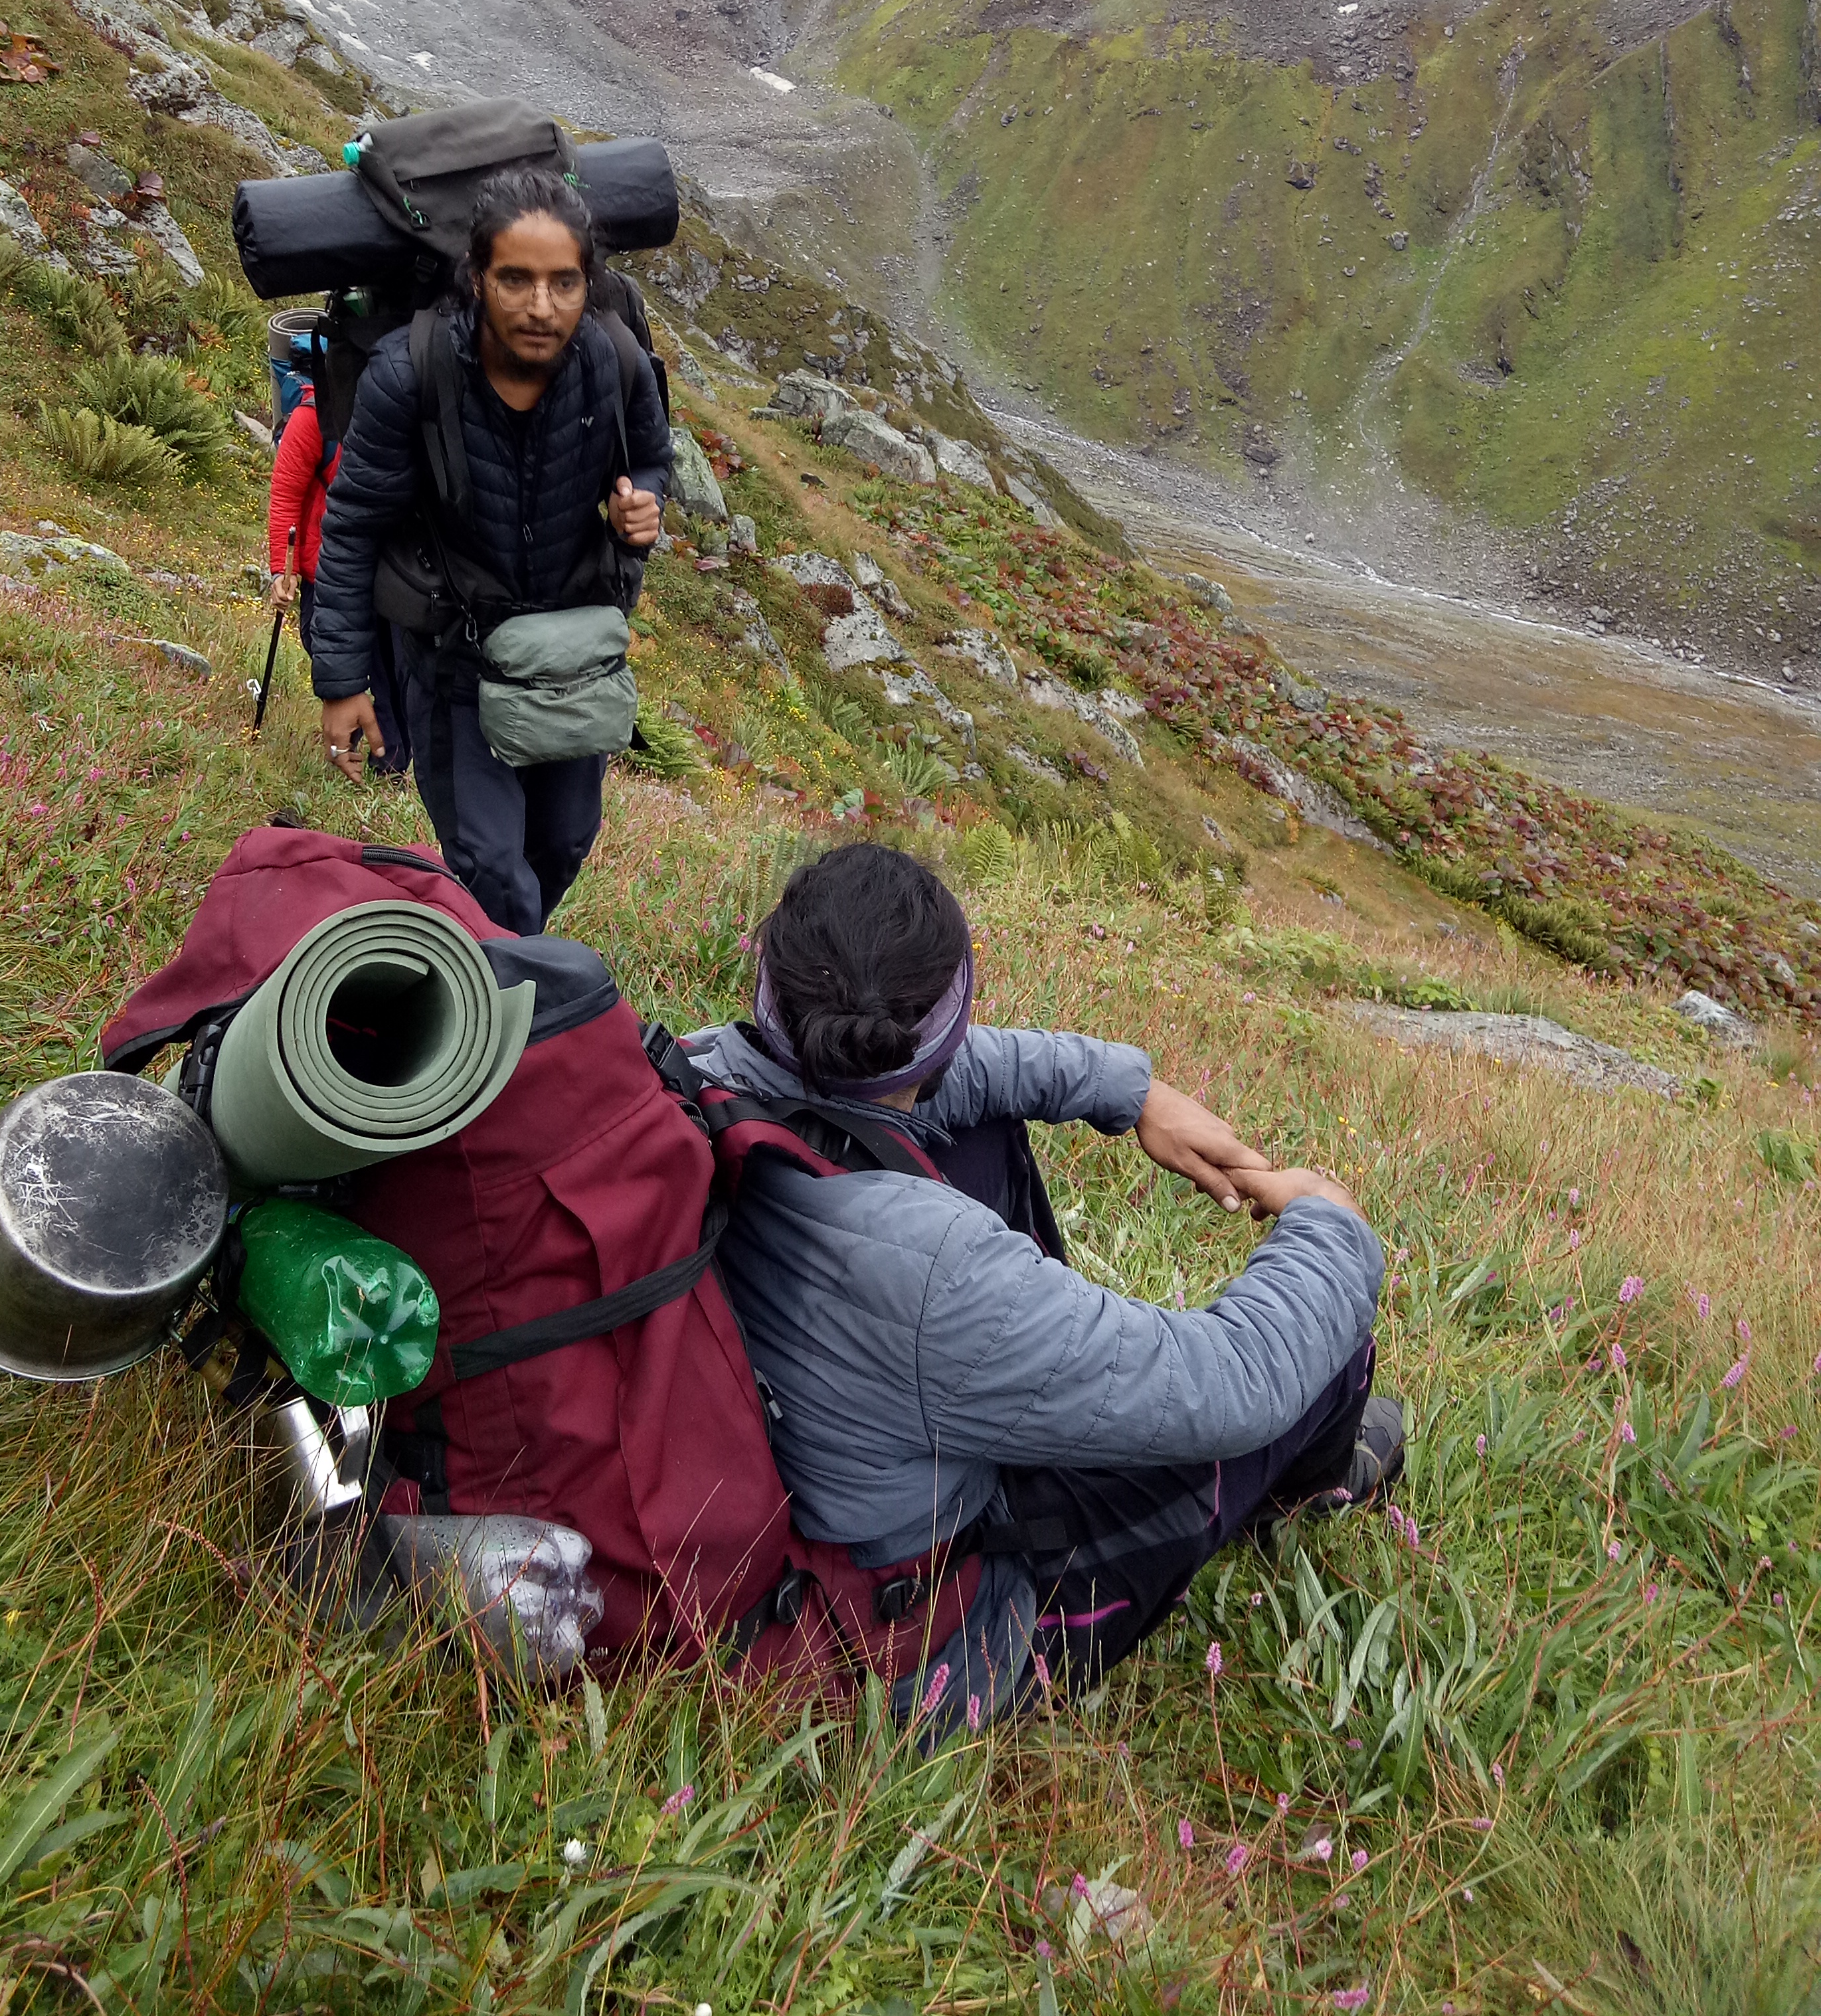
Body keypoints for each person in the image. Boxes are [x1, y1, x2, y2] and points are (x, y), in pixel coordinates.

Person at [687, 843, 1399, 1730]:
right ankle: (1324, 1480)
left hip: (815, 1477)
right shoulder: (941, 1272)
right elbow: (1233, 1382)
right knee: (1314, 1348)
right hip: (924, 1650)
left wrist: (1134, 1095)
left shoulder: (704, 1075)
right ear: (940, 1026)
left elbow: (948, 1076)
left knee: (980, 1128)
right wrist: (1330, 1224)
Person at [308, 167, 670, 934]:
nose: (542, 307)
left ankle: (502, 960)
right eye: (516, 279)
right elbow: (352, 524)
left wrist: (645, 505)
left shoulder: (616, 358)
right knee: (491, 864)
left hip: (571, 654)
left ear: (588, 282)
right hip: (454, 660)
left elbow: (652, 456)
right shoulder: (412, 374)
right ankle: (509, 1003)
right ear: (476, 278)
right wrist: (341, 681)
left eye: (564, 282)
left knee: (564, 842)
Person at [264, 333, 410, 776]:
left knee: (390, 667)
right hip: (323, 571)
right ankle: (358, 732)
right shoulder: (311, 420)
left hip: (384, 568)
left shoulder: (392, 419)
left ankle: (389, 767)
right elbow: (285, 497)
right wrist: (279, 571)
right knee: (322, 643)